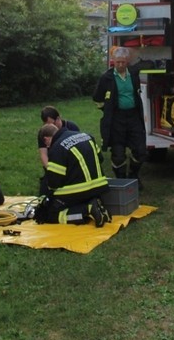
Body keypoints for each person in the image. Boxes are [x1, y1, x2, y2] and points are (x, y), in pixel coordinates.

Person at [93, 46, 148, 189]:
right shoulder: (107, 77)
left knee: (140, 150)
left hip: (133, 117)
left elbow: (146, 64)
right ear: (113, 61)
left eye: (123, 62)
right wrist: (106, 110)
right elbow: (97, 97)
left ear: (127, 61)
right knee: (118, 153)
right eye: (117, 62)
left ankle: (134, 175)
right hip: (116, 119)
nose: (120, 65)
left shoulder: (134, 74)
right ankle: (122, 179)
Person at [36, 123, 111, 227]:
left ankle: (87, 210)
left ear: (46, 139)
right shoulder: (86, 136)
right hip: (101, 186)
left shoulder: (57, 147)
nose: (48, 147)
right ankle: (98, 207)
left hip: (79, 190)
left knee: (49, 214)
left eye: (46, 144)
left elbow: (54, 182)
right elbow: (100, 159)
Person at [38, 105, 80, 174]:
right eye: (46, 125)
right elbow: (43, 154)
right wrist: (50, 170)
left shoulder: (71, 127)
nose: (50, 127)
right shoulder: (44, 132)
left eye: (52, 124)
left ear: (58, 119)